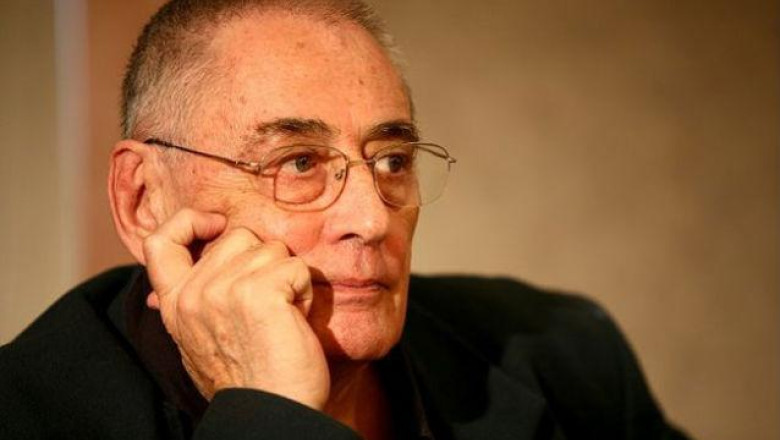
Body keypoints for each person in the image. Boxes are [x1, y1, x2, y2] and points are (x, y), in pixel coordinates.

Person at [0, 0, 689, 439]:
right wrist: (266, 413)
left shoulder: (564, 353)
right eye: (299, 162)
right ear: (143, 198)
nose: (371, 218)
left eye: (392, 160)